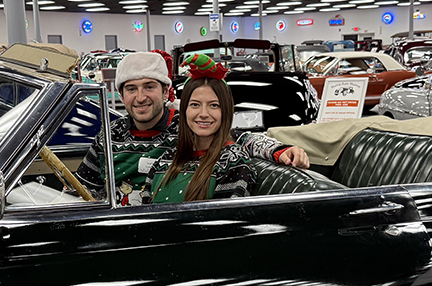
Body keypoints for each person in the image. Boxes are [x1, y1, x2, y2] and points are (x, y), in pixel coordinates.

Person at [76, 51, 309, 205]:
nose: (140, 97)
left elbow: (238, 138)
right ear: (121, 95)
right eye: (131, 89)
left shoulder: (187, 128)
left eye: (149, 87)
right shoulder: (109, 135)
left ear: (165, 91)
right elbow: (84, 189)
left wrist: (279, 150)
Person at [144, 61, 253, 203]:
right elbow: (145, 208)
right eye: (195, 105)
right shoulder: (167, 157)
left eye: (214, 105)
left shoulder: (234, 162)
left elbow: (227, 215)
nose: (203, 114)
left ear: (226, 111)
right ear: (184, 110)